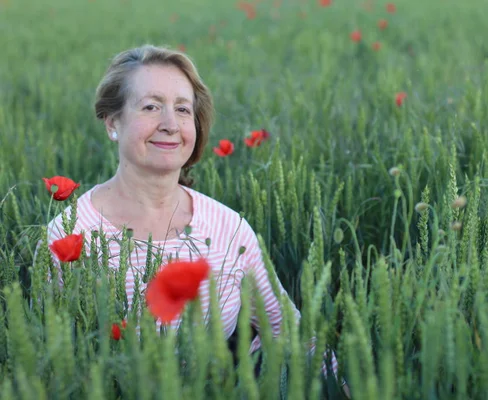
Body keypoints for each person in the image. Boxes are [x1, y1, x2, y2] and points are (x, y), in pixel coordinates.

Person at [44, 45, 350, 397]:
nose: (170, 124)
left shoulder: (227, 229)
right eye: (151, 106)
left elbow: (291, 332)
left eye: (182, 109)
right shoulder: (71, 234)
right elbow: (52, 362)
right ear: (113, 123)